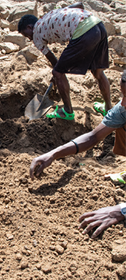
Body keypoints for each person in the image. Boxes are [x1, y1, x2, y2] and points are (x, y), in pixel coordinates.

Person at [29, 71, 126, 238]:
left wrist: (120, 211)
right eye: (124, 95)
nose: (123, 103)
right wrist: (53, 154)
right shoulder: (123, 109)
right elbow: (94, 136)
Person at [18, 2, 111, 120]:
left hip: (84, 32)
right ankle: (108, 109)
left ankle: (67, 111)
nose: (30, 39)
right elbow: (80, 5)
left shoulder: (36, 34)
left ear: (30, 27)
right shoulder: (51, 14)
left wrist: (57, 75)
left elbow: (53, 60)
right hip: (97, 25)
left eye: (27, 36)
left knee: (57, 72)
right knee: (97, 72)